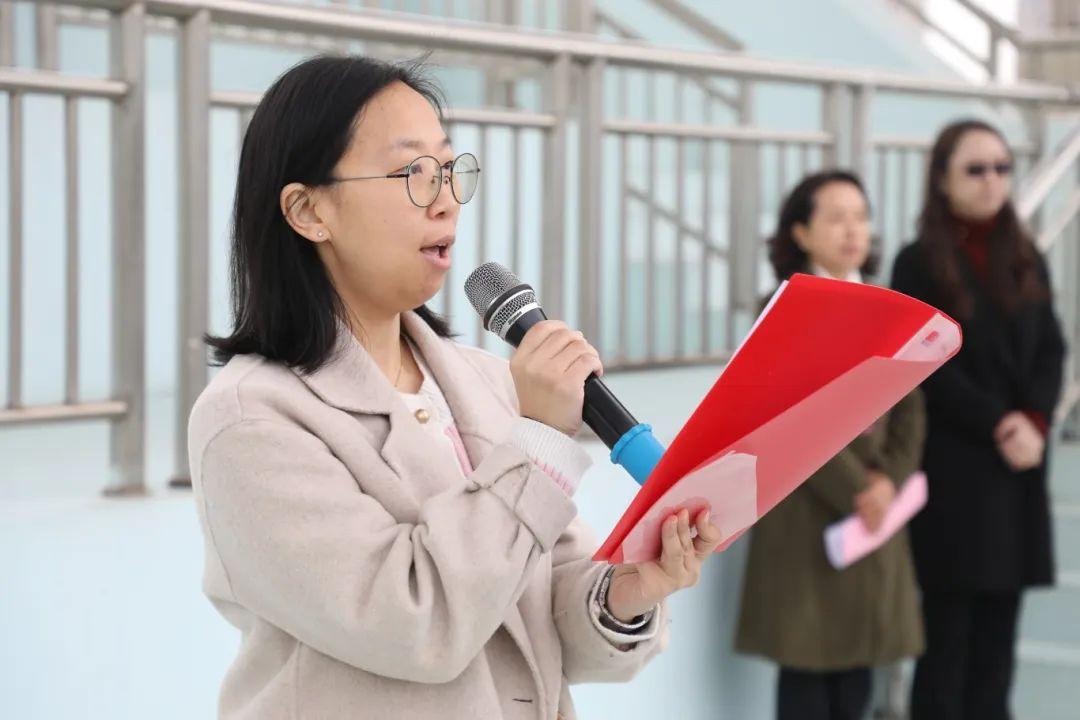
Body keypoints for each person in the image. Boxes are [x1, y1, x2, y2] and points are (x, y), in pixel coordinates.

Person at [187, 54, 724, 719]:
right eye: (413, 171)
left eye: (448, 169)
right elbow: (418, 625)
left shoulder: (483, 380)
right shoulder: (251, 422)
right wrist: (537, 445)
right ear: (308, 211)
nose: (444, 199)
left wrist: (629, 591)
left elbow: (542, 622)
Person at [891, 119, 1066, 720]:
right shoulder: (917, 263)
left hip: (1017, 470)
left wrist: (1037, 423)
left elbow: (1052, 347)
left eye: (1001, 167)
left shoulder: (1025, 255)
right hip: (956, 474)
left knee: (997, 652)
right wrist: (1000, 422)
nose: (993, 180)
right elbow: (925, 365)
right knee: (945, 651)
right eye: (975, 168)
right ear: (942, 180)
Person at [736, 171, 926, 720]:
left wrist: (889, 479)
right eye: (836, 217)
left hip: (874, 509)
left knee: (857, 674)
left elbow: (912, 405)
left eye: (861, 216)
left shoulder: (890, 304)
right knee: (807, 672)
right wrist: (857, 491)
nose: (853, 230)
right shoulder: (783, 307)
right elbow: (788, 416)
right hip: (808, 509)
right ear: (800, 231)